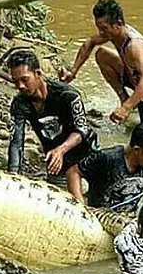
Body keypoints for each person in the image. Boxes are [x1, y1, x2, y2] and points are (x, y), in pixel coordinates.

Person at [60, 0, 143, 123]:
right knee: (102, 55)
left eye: (104, 28)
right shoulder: (114, 34)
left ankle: (130, 105)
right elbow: (89, 43)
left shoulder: (134, 46)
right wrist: (73, 71)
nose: (100, 32)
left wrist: (126, 108)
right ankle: (124, 98)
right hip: (135, 77)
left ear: (118, 24)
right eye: (99, 28)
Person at [6, 50, 99, 187]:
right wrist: (13, 175)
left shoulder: (67, 95)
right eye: (16, 81)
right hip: (56, 164)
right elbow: (16, 142)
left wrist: (61, 150)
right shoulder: (20, 104)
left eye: (25, 80)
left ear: (38, 74)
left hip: (86, 156)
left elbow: (81, 130)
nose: (20, 86)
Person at [66, 120, 143, 213]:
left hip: (127, 215)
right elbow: (73, 172)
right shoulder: (107, 158)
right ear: (137, 150)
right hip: (99, 213)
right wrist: (81, 206)